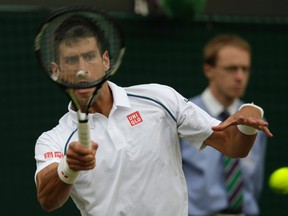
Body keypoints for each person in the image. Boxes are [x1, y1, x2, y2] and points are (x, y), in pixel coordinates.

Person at [34, 10, 273, 216]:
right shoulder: (53, 139)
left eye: (89, 57)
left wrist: (248, 118)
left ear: (106, 60)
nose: (82, 70)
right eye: (71, 61)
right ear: (56, 71)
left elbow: (233, 146)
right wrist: (69, 167)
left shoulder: (160, 99)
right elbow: (47, 199)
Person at [180, 34, 268, 216]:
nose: (240, 76)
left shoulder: (253, 119)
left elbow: (255, 181)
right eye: (231, 69)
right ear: (208, 70)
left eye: (245, 69)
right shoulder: (185, 115)